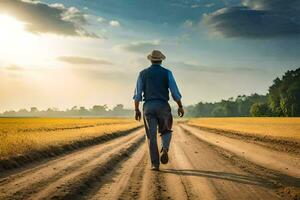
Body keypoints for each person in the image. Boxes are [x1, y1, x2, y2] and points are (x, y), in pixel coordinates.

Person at [133, 50, 184, 171]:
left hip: (148, 107)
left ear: (150, 60)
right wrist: (180, 106)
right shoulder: (167, 73)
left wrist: (136, 110)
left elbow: (137, 94)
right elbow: (175, 92)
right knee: (166, 129)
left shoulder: (142, 74)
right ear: (161, 60)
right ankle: (165, 148)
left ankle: (155, 164)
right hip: (162, 105)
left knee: (151, 136)